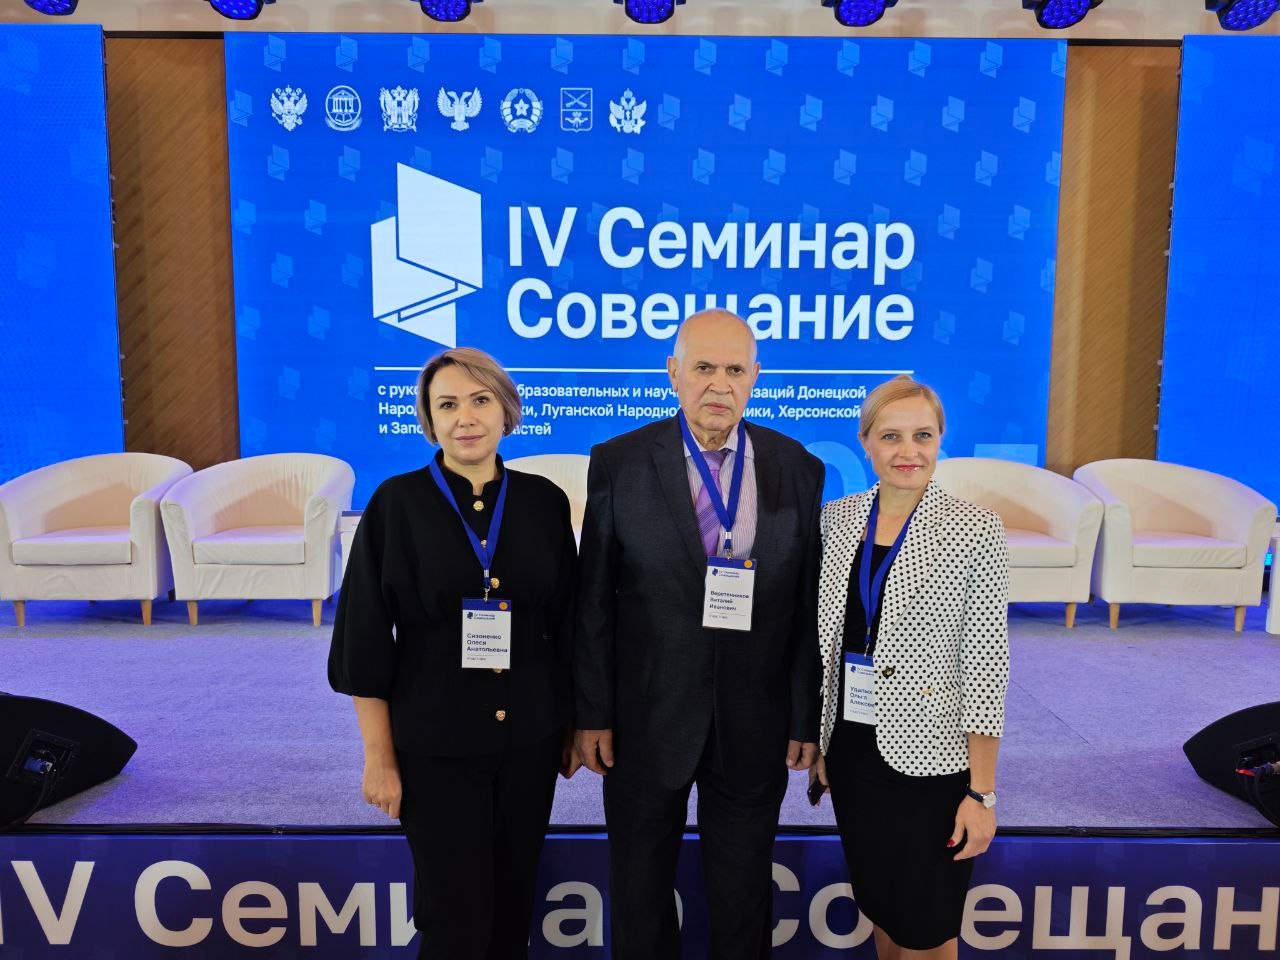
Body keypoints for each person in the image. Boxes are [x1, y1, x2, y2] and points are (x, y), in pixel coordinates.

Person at [574, 309, 824, 959]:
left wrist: (805, 717)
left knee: (743, 900)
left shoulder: (799, 467)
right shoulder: (619, 462)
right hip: (645, 719)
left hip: (755, 720)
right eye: (704, 367)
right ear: (673, 373)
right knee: (639, 894)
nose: (720, 384)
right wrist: (592, 712)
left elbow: (805, 608)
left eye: (735, 369)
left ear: (755, 377)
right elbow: (594, 602)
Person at [327, 347, 579, 960]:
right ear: (429, 420)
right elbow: (364, 642)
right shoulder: (396, 504)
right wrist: (379, 758)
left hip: (530, 740)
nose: (465, 417)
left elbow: (569, 625)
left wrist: (573, 726)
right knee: (453, 920)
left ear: (505, 410)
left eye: (480, 400)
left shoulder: (545, 502)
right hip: (434, 743)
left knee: (512, 911)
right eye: (447, 405)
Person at [809, 375, 1010, 960]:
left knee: (926, 927)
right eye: (891, 436)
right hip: (852, 750)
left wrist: (982, 793)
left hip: (932, 762)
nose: (908, 451)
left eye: (923, 435)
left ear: (940, 439)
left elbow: (986, 667)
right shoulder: (836, 519)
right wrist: (821, 739)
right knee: (882, 908)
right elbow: (831, 642)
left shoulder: (975, 529)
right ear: (866, 442)